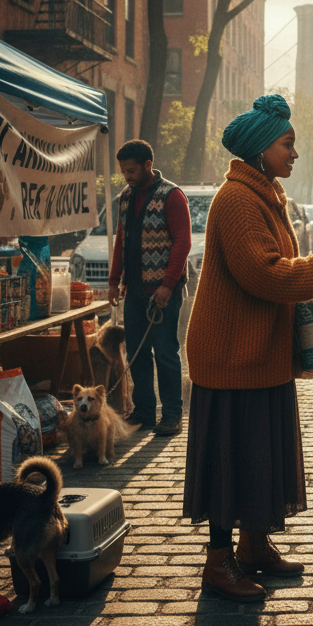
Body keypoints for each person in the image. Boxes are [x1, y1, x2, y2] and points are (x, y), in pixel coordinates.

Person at [183, 94, 313, 601]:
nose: (294, 154)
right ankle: (218, 563)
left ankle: (253, 547)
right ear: (261, 147)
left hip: (259, 354)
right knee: (230, 460)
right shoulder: (238, 200)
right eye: (287, 144)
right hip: (231, 357)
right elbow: (265, 275)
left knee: (257, 456)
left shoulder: (264, 193)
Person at [108, 139, 190, 437]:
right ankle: (143, 411)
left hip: (163, 291)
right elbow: (121, 240)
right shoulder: (126, 198)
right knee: (136, 353)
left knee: (166, 351)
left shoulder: (172, 196)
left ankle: (172, 414)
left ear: (147, 165)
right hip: (134, 289)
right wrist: (113, 281)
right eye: (123, 171)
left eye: (131, 170)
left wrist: (168, 285)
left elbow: (183, 242)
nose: (127, 176)